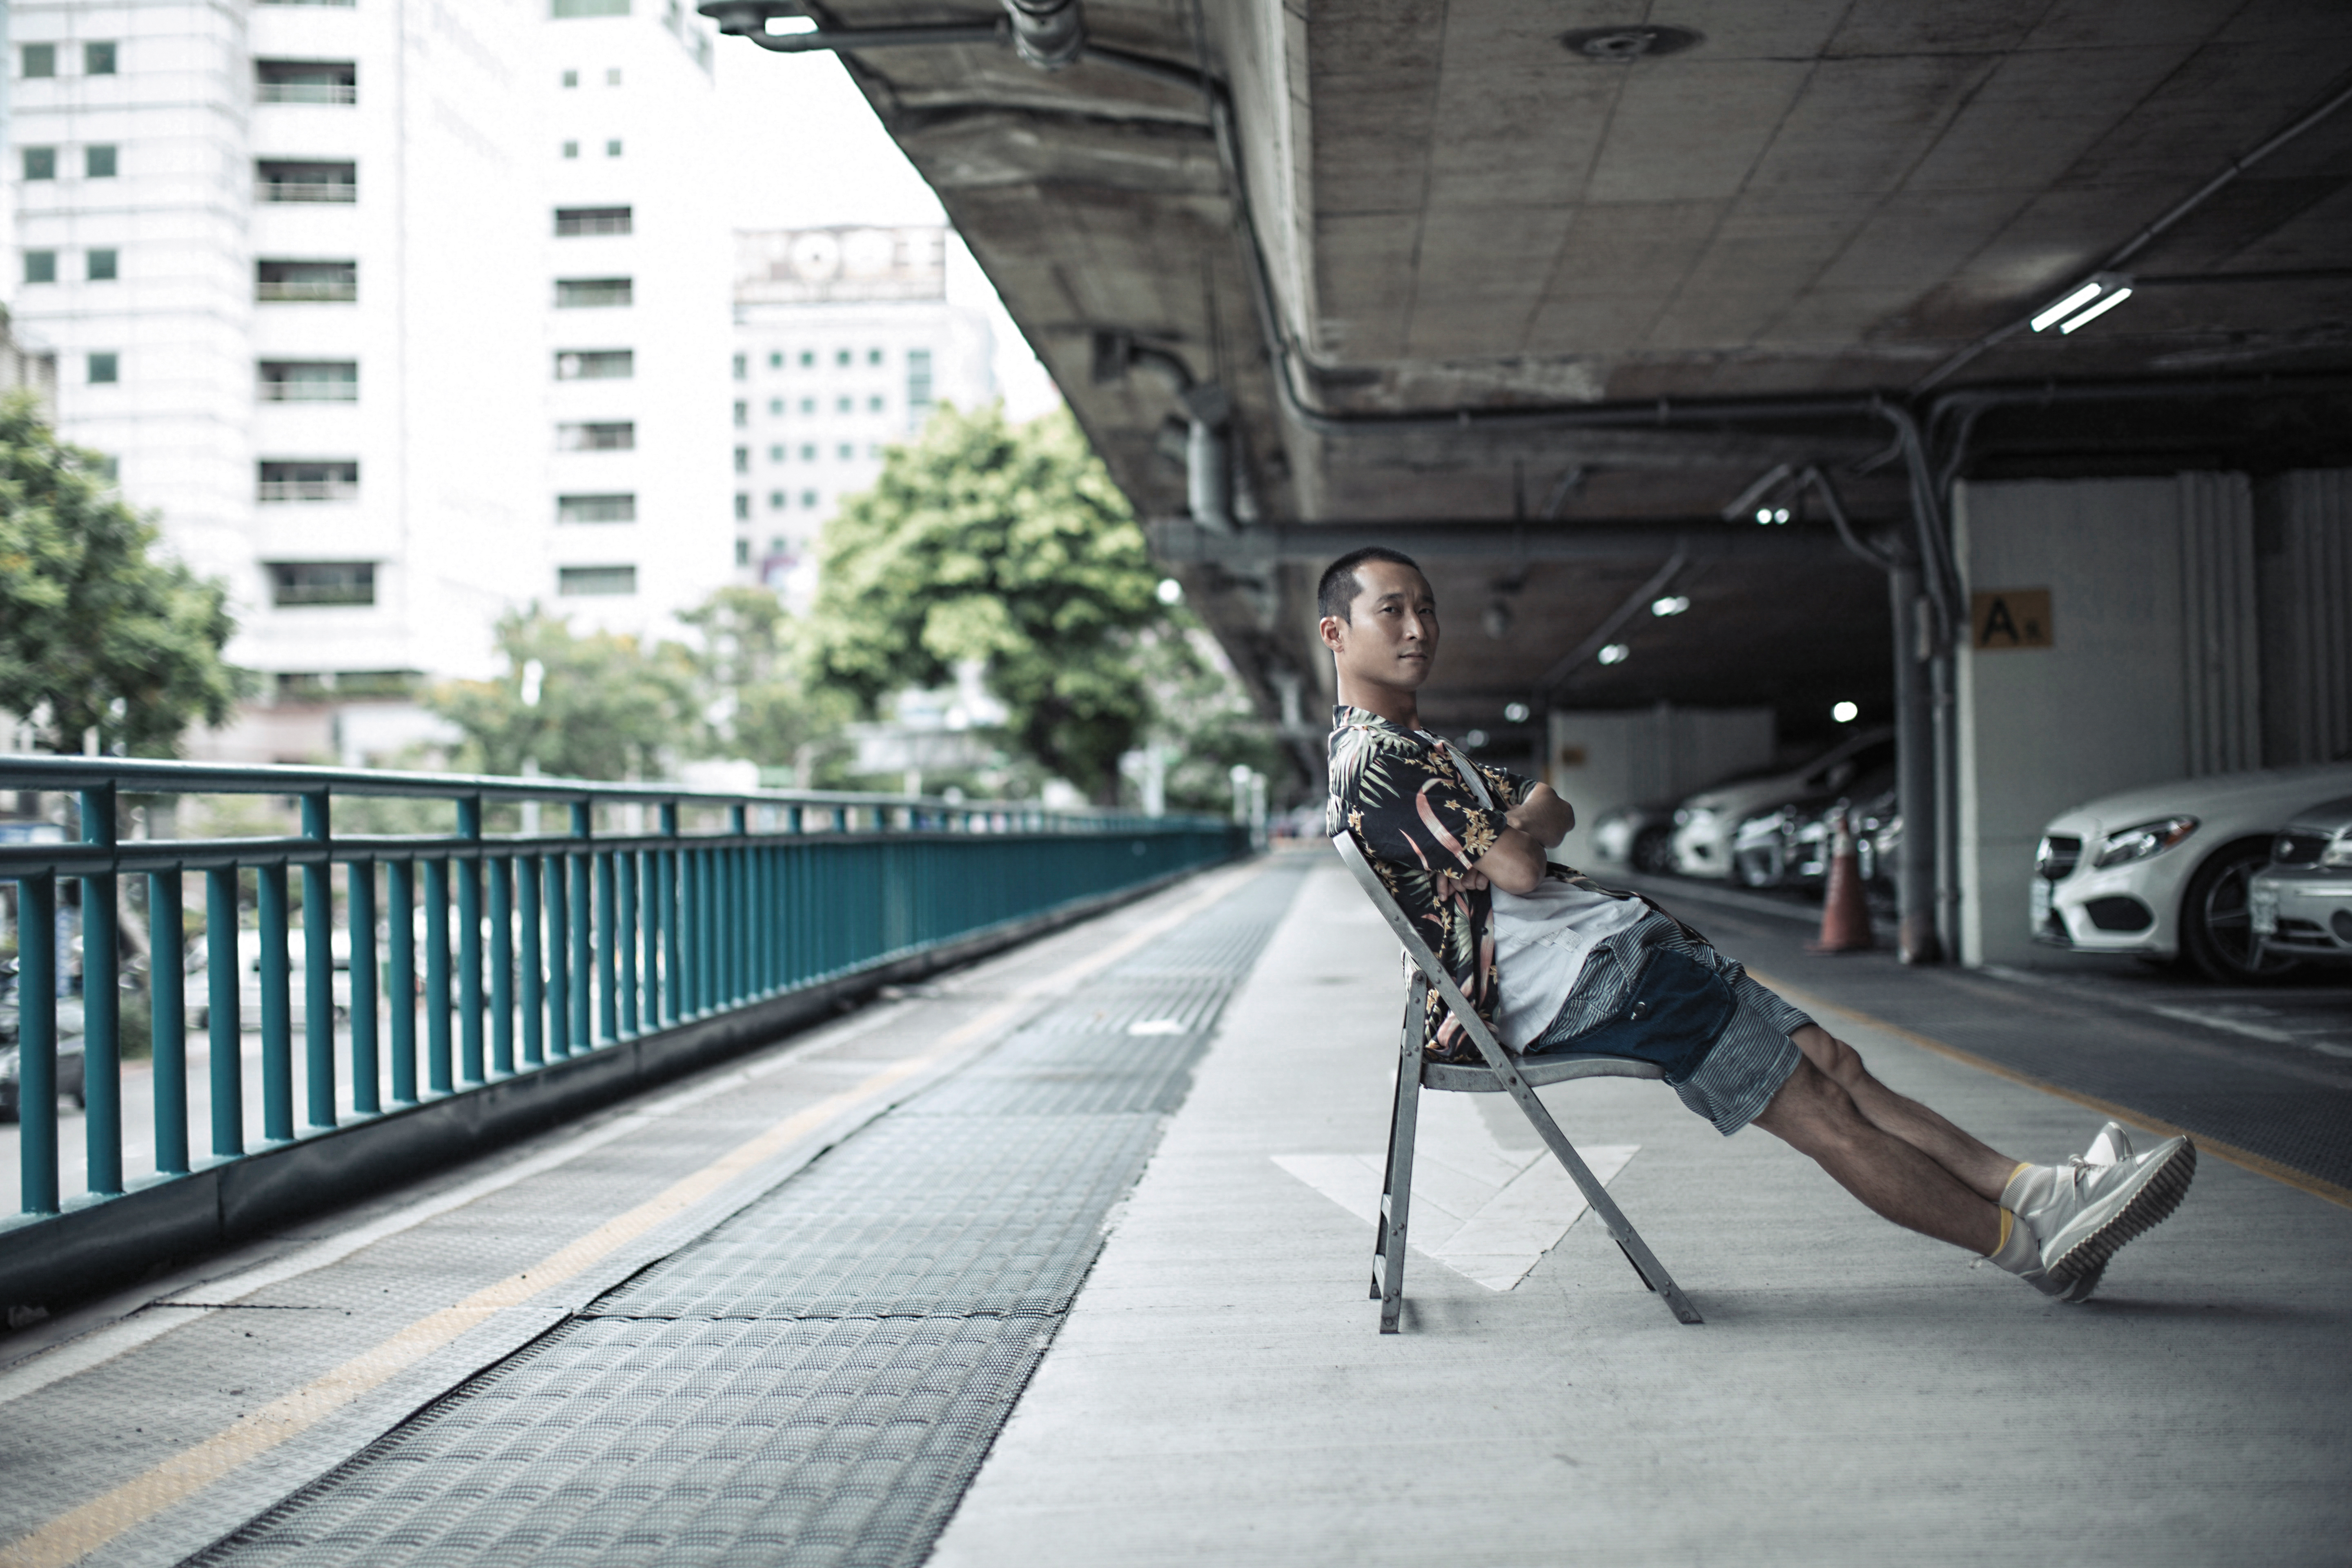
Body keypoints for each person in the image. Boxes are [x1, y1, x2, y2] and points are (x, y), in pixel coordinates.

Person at [1319, 545, 2194, 1302]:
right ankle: (2033, 1250)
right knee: (1820, 1113)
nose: (1418, 629)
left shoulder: (1429, 751)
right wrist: (1525, 833)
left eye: (1427, 610)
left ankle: (2044, 1192)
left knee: (1836, 1065)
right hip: (1588, 983)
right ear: (1336, 635)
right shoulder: (1378, 760)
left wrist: (1528, 828)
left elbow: (1553, 807)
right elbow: (1519, 860)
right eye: (1390, 611)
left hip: (1622, 953)